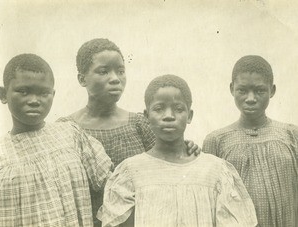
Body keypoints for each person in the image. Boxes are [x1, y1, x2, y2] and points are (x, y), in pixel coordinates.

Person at [58, 38, 200, 226]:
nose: (115, 78)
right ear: (82, 79)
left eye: (121, 71)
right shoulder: (66, 129)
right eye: (103, 71)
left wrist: (187, 148)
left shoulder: (139, 124)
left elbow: (165, 161)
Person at [98, 74, 257, 227]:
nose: (168, 116)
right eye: (159, 108)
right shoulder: (131, 172)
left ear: (189, 116)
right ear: (146, 116)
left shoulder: (216, 171)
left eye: (178, 108)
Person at [0, 53, 113, 226]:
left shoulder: (70, 134)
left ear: (53, 94)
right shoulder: (1, 155)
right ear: (3, 95)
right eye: (23, 91)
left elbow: (112, 184)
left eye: (44, 93)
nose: (34, 101)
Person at [202, 55, 298, 227]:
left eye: (260, 90)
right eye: (242, 90)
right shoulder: (216, 141)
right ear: (232, 89)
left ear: (272, 90)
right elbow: (208, 200)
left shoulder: (292, 135)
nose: (251, 98)